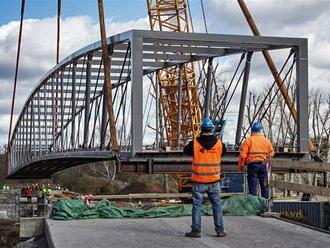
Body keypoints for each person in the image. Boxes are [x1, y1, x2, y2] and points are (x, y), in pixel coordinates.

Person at [183, 118, 227, 238]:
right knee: (217, 205)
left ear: (201, 129)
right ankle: (220, 230)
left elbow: (185, 151)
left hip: (199, 181)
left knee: (197, 206)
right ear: (212, 129)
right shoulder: (219, 144)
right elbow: (224, 152)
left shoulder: (195, 143)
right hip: (214, 181)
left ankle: (196, 230)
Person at [238, 121, 274, 199]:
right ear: (260, 130)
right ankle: (265, 205)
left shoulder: (248, 140)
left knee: (252, 186)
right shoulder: (266, 141)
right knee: (264, 186)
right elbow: (271, 152)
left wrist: (241, 166)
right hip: (263, 165)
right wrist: (266, 159)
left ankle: (253, 205)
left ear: (252, 130)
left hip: (252, 165)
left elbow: (243, 155)